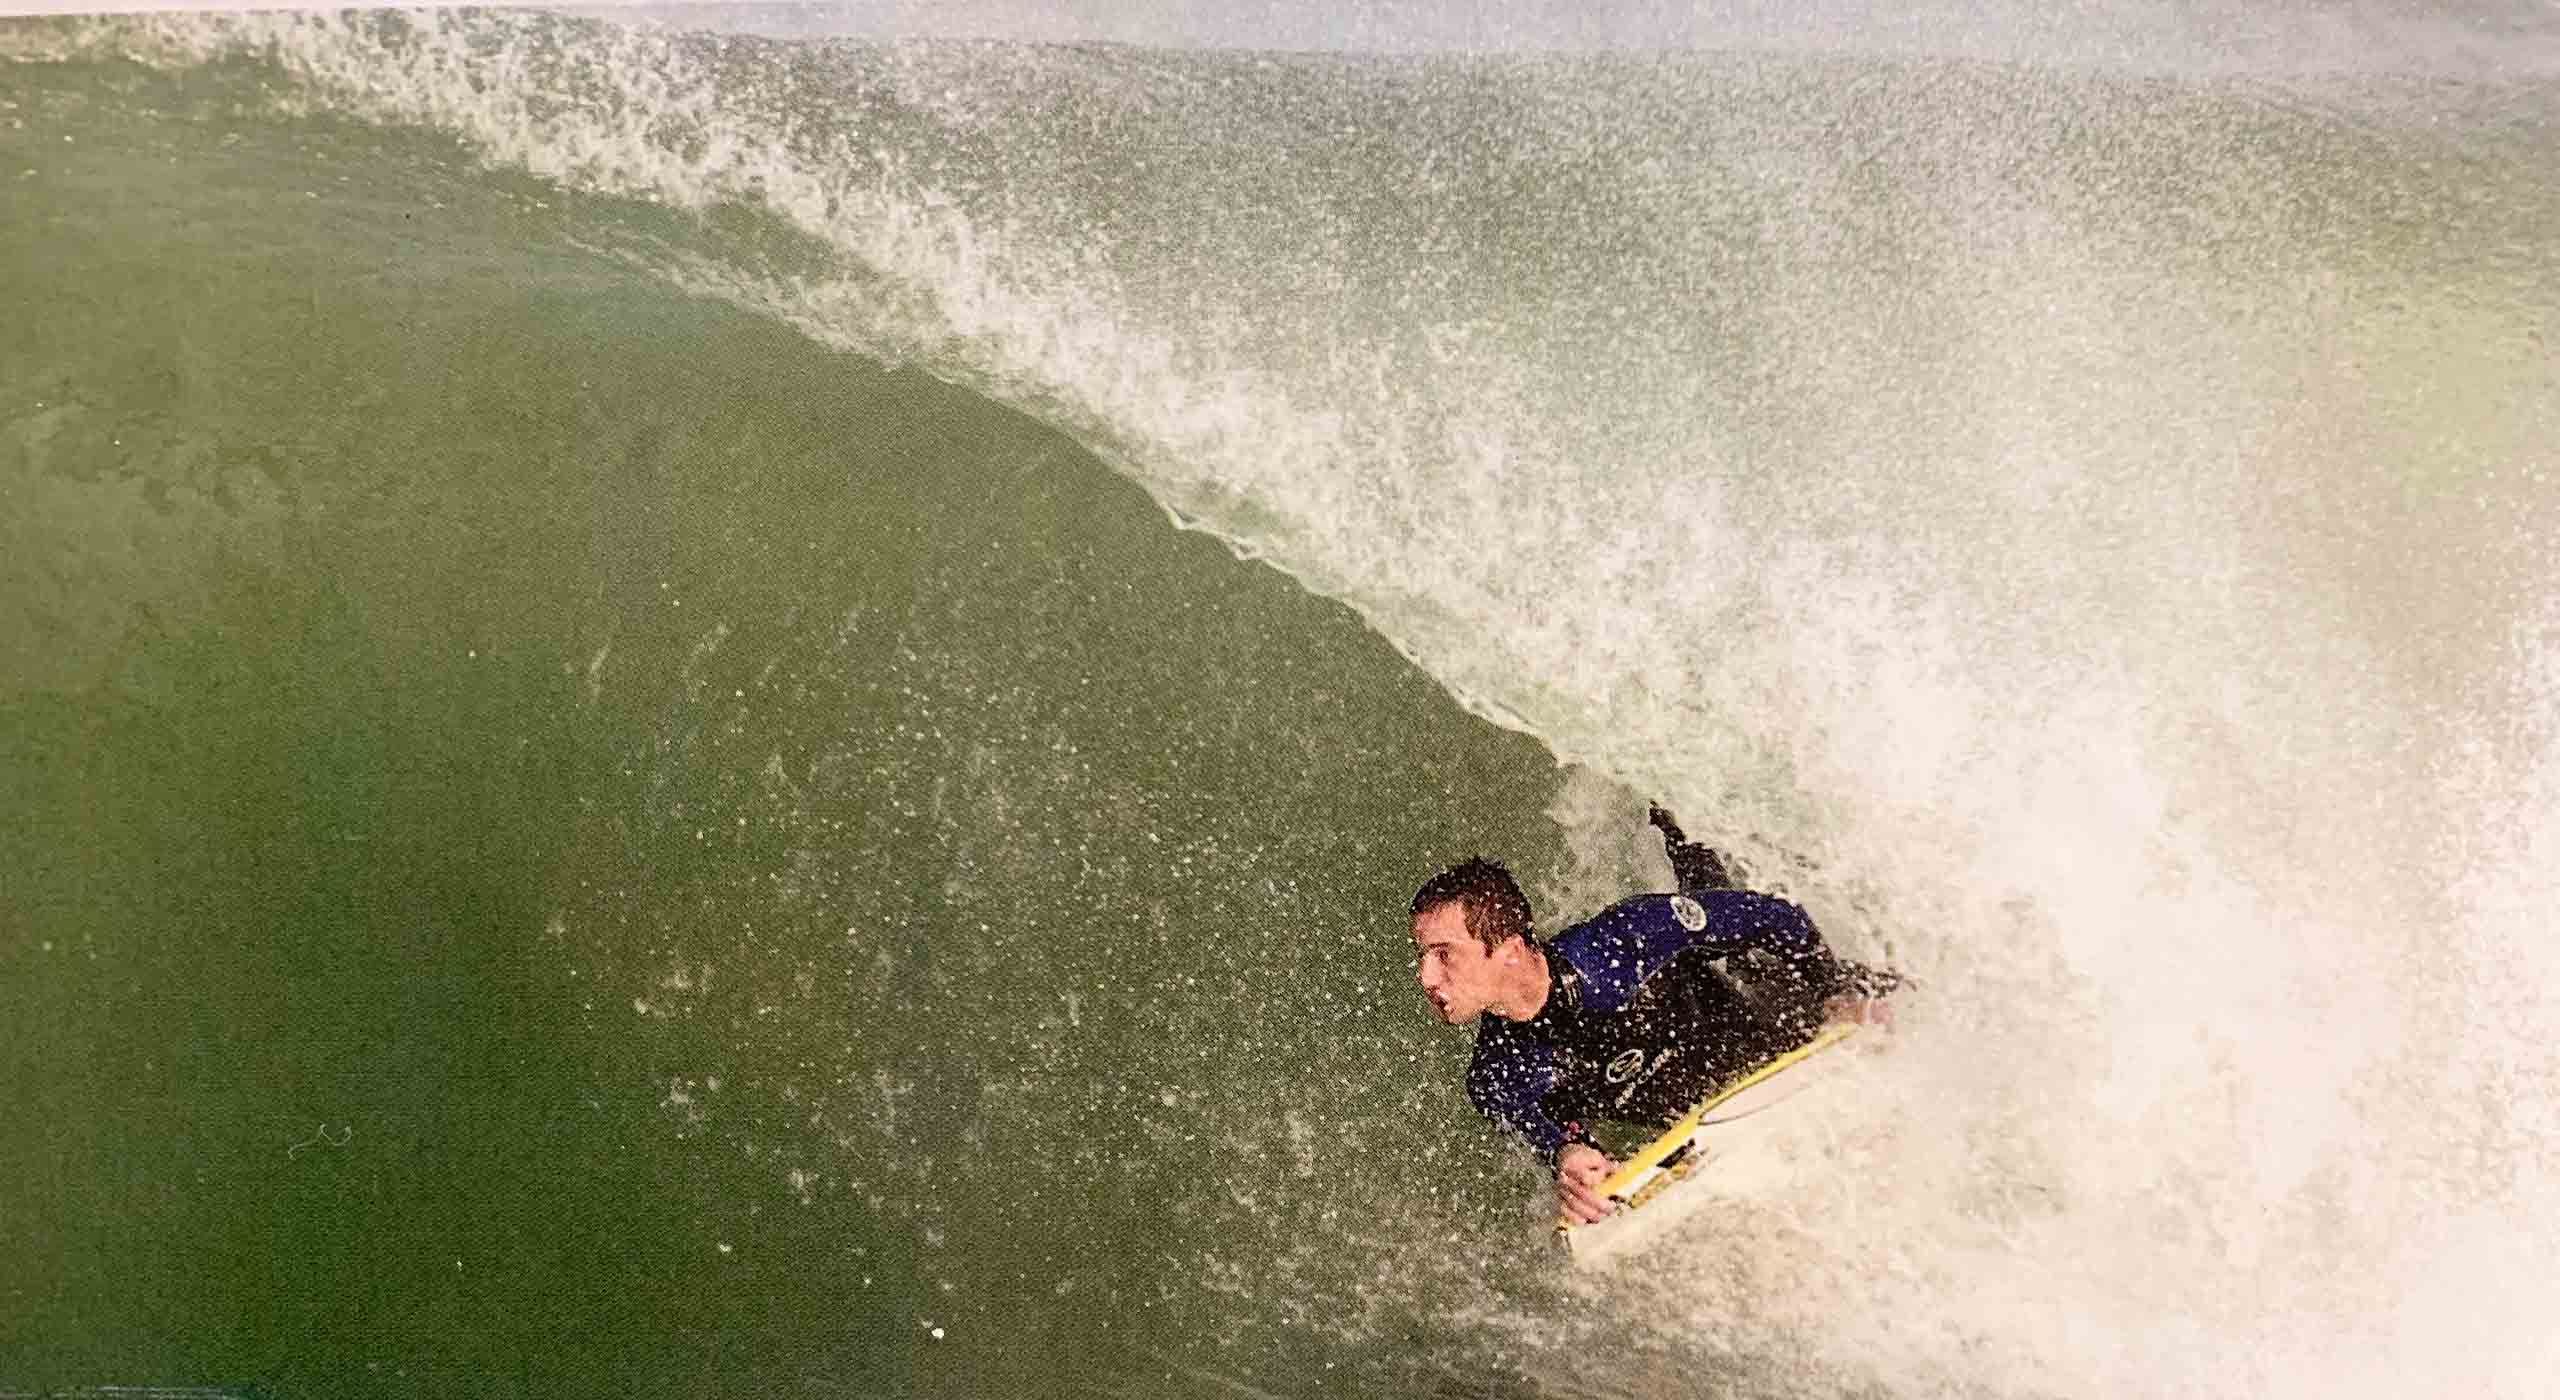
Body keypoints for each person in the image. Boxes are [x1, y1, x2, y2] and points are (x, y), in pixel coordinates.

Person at [1409, 807, 1893, 1224]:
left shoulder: (1622, 944)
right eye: (1422, 956)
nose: (1426, 977)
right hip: (1695, 1113)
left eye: (1444, 954)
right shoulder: (1497, 1075)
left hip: (1763, 1016)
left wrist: (1834, 991)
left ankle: (1674, 814)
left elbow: (1774, 915)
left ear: (1510, 950)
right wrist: (1575, 1160)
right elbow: (1553, 1137)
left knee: (1739, 941)